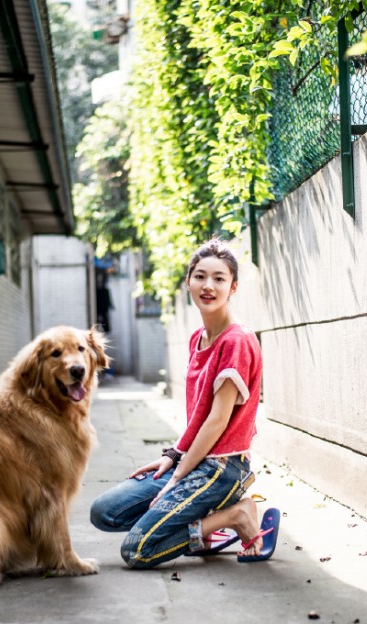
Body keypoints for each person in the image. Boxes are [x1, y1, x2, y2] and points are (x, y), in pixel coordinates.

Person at [90, 238, 280, 568]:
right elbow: (198, 416)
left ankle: (235, 514)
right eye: (200, 276)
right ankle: (200, 513)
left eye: (219, 279)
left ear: (233, 287)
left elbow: (217, 422)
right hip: (194, 459)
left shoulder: (237, 341)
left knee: (137, 550)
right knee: (104, 512)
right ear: (188, 281)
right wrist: (173, 456)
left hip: (222, 467)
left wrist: (177, 479)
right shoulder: (197, 338)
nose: (209, 286)